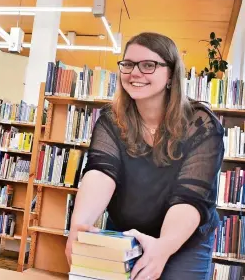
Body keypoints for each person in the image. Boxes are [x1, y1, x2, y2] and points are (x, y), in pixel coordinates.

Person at [65, 32, 224, 279]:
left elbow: (191, 196)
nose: (134, 73)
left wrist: (163, 247)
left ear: (171, 74)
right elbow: (101, 171)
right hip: (127, 230)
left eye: (148, 65)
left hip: (184, 237)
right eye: (127, 64)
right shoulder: (111, 120)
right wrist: (79, 224)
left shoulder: (201, 123)